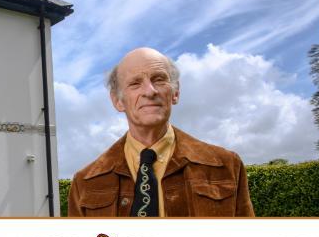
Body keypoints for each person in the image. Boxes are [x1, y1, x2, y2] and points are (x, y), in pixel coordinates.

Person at [68, 47, 254, 217]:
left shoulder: (227, 166)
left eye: (159, 79)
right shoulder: (85, 182)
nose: (150, 91)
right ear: (118, 100)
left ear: (175, 93)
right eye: (135, 83)